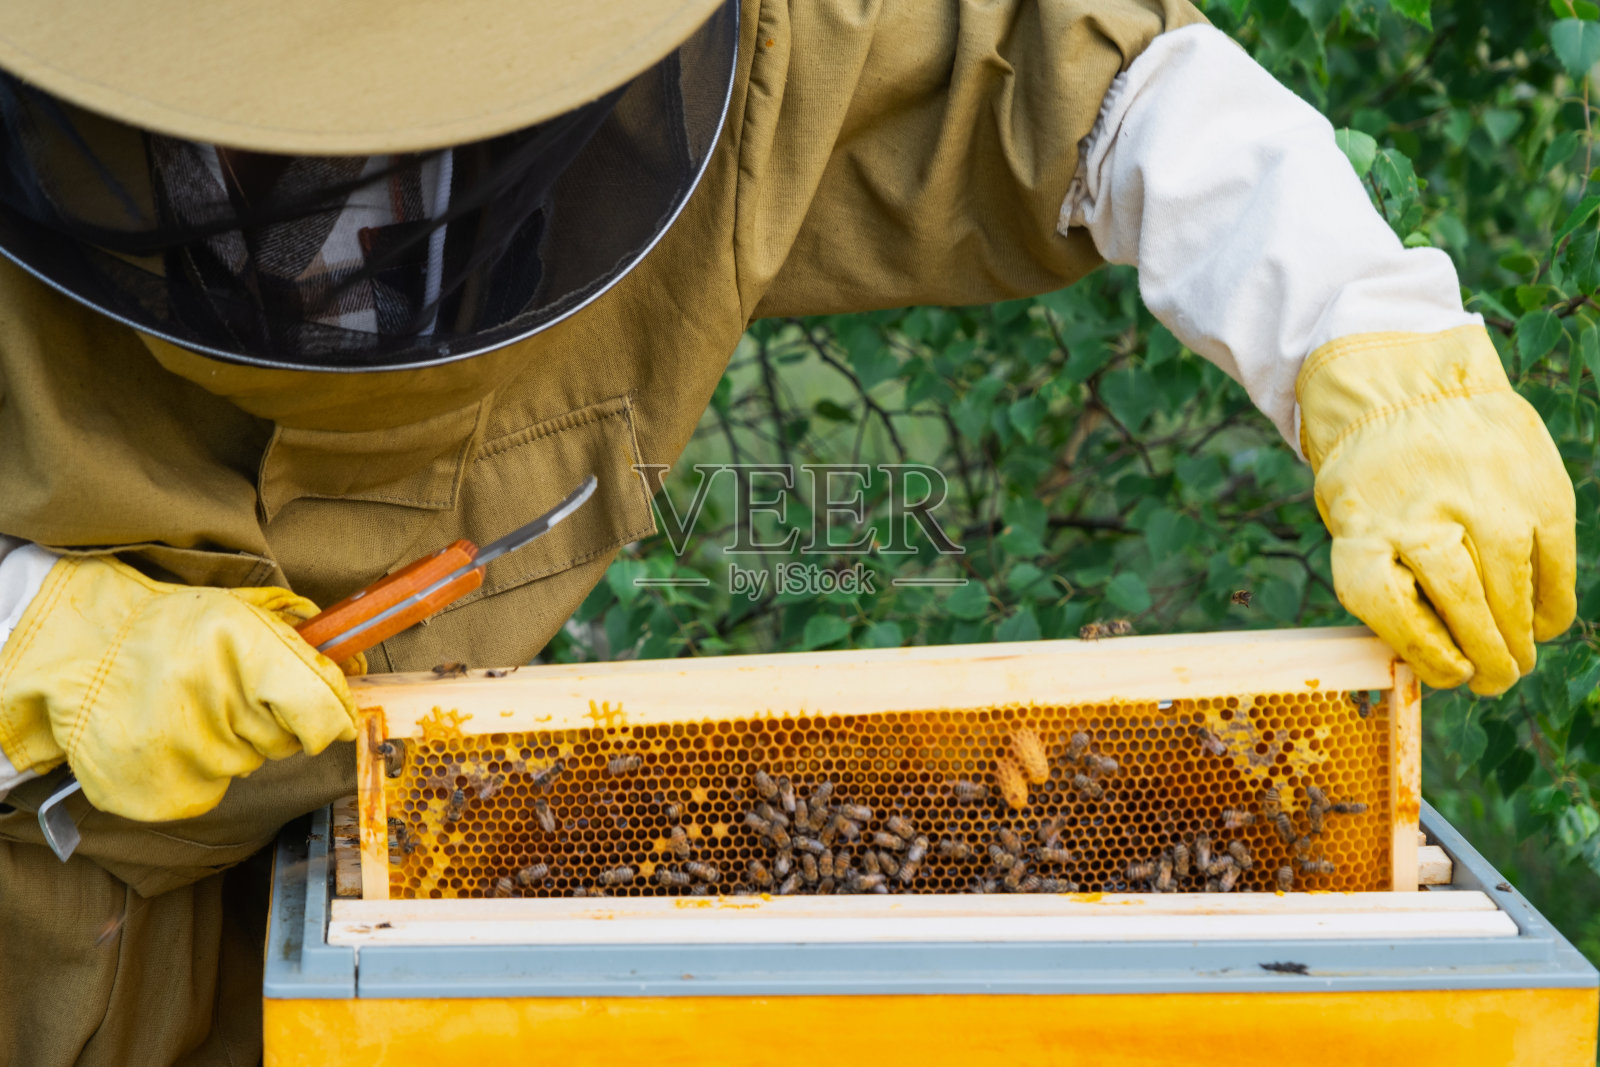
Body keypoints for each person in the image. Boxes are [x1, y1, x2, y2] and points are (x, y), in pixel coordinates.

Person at [0, 0, 1574, 1062]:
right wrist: (38, 643)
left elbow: (1077, 68)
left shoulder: (725, 50)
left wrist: (1368, 346)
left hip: (390, 902)